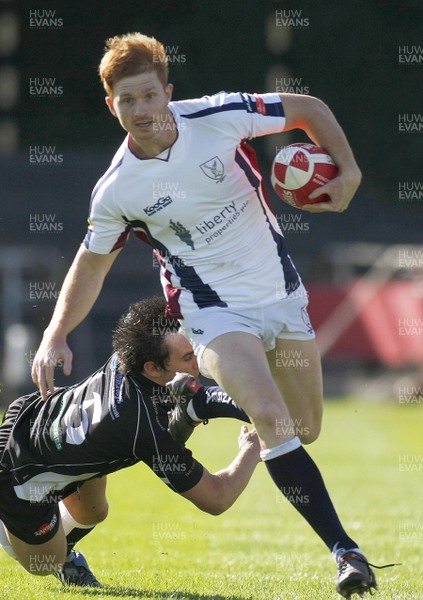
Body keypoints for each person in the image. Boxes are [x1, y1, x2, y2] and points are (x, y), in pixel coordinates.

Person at [30, 32, 388, 597]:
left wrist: (347, 173)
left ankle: (197, 400)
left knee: (303, 430)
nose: (142, 111)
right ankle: (347, 553)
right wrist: (55, 332)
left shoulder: (219, 115)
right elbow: (92, 264)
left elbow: (308, 109)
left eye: (150, 96)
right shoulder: (117, 190)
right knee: (271, 417)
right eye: (128, 101)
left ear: (168, 91)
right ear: (111, 105)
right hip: (213, 312)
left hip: (282, 295)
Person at [0, 296, 260, 587]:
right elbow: (217, 498)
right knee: (44, 563)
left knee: (94, 511)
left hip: (38, 413)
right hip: (21, 475)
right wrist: (254, 446)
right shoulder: (141, 426)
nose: (198, 361)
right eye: (187, 358)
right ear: (152, 369)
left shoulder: (126, 355)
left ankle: (184, 413)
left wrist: (257, 404)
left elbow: (188, 398)